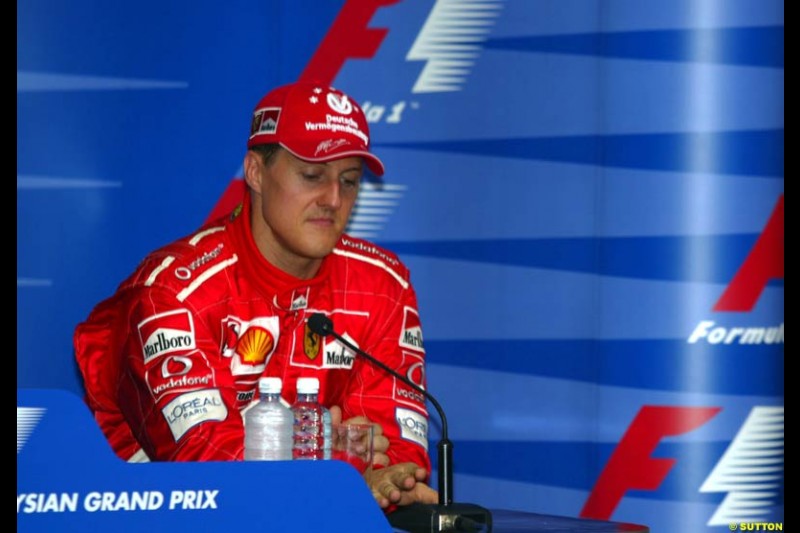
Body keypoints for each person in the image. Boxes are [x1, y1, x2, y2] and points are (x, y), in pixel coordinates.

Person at [73, 81, 438, 510]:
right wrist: (331, 454)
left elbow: (398, 451)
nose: (334, 199)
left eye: (350, 180)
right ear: (255, 172)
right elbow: (207, 463)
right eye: (312, 175)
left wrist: (366, 476)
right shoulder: (173, 291)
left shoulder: (382, 285)